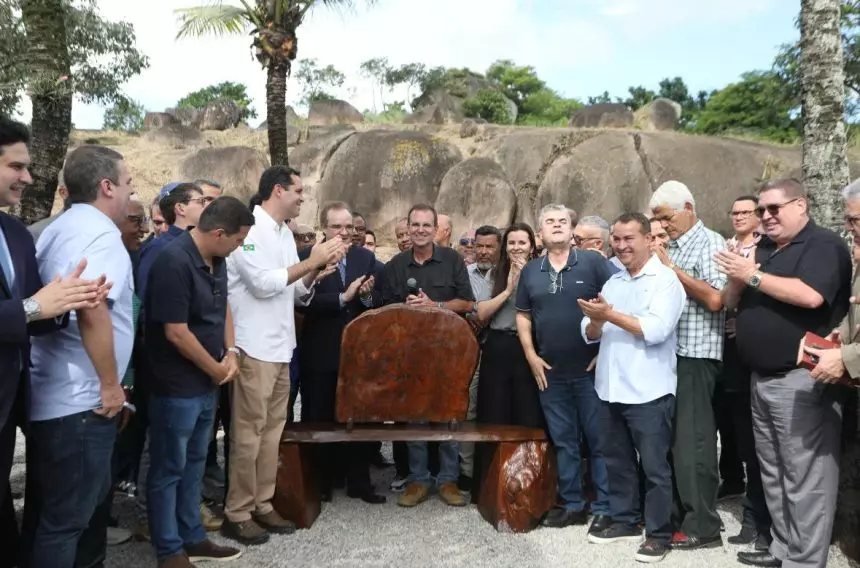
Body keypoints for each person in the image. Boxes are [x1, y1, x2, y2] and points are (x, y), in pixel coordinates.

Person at [718, 178, 852, 568]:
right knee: (774, 471)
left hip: (803, 378)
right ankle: (783, 549)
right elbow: (729, 301)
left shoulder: (823, 244)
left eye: (774, 208)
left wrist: (752, 274)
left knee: (806, 476)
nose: (766, 216)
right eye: (761, 210)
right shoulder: (763, 248)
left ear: (801, 205)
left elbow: (811, 295)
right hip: (760, 376)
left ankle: (806, 561)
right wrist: (736, 275)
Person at [0, 119, 108, 568]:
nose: (28, 178)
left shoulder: (16, 234)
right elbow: (27, 309)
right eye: (17, 167)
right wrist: (32, 308)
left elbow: (36, 315)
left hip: (11, 407)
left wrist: (67, 301)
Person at [24, 144, 135, 568]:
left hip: (58, 393)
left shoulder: (60, 227)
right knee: (68, 522)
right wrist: (110, 385)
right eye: (127, 184)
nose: (130, 193)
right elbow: (92, 307)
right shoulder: (100, 234)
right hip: (82, 400)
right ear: (106, 186)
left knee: (51, 516)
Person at [223, 167, 342, 545]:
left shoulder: (284, 233)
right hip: (252, 346)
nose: (303, 197)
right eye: (298, 190)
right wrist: (311, 260)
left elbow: (292, 293)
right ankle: (237, 511)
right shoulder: (249, 229)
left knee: (272, 432)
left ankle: (262, 502)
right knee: (247, 435)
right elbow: (260, 285)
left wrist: (313, 275)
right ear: (277, 190)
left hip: (280, 346)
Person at [145, 197, 256, 567]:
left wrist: (232, 351)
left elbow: (222, 306)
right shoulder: (172, 261)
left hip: (208, 381)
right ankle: (169, 549)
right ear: (219, 233)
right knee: (168, 469)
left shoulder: (218, 259)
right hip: (176, 385)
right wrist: (215, 368)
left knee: (194, 463)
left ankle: (192, 536)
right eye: (239, 240)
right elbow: (176, 332)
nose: (240, 247)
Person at [580, 212, 685, 564]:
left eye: (629, 239)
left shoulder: (666, 281)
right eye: (618, 239)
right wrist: (596, 321)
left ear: (647, 239)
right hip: (611, 388)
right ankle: (625, 520)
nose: (622, 246)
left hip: (649, 390)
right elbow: (590, 333)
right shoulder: (615, 281)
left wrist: (607, 316)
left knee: (655, 468)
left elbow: (655, 330)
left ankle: (658, 534)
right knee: (618, 460)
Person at [515, 203, 614, 533]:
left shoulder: (593, 262)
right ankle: (573, 504)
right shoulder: (531, 271)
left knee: (599, 441)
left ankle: (603, 505)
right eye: (549, 222)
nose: (556, 226)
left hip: (591, 370)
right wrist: (530, 354)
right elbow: (523, 315)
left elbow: (617, 305)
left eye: (562, 221)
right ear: (539, 233)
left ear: (573, 231)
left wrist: (608, 350)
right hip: (550, 372)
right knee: (564, 441)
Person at [650, 180, 727, 550]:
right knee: (676, 441)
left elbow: (715, 299)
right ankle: (682, 513)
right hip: (671, 352)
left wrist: (671, 269)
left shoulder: (710, 241)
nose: (663, 225)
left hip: (698, 353)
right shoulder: (674, 244)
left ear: (688, 208)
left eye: (666, 217)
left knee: (695, 441)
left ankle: (704, 526)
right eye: (658, 220)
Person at [381, 204, 474, 508]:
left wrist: (434, 305)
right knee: (414, 420)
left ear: (436, 230)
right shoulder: (395, 265)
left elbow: (466, 303)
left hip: (446, 353)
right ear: (407, 228)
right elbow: (379, 310)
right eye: (415, 225)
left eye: (426, 225)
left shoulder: (452, 260)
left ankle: (448, 479)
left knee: (449, 416)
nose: (420, 230)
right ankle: (418, 480)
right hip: (407, 356)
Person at [298, 202, 383, 504]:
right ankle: (320, 481)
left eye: (348, 227)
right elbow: (299, 302)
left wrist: (368, 295)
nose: (344, 232)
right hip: (320, 350)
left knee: (358, 419)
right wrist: (340, 298)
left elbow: (376, 304)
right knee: (318, 416)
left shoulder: (366, 258)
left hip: (359, 355)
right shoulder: (307, 258)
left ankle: (359, 481)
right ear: (324, 228)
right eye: (337, 227)